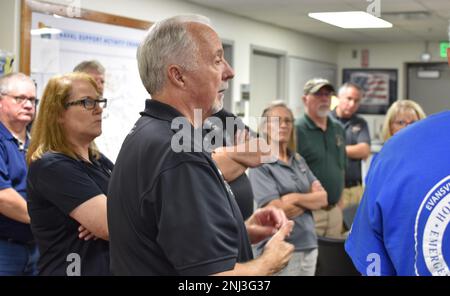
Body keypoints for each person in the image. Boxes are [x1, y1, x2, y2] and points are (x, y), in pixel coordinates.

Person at [108, 15, 294, 276]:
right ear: (178, 76)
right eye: (217, 60)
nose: (229, 72)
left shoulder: (150, 133)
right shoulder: (178, 154)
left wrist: (242, 231)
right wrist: (268, 263)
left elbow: (175, 243)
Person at [345, 109, 450, 275]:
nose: (407, 127)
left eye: (412, 122)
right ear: (390, 126)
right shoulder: (388, 160)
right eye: (401, 122)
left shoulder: (390, 158)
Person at [26, 72, 111, 275]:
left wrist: (111, 211)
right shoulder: (51, 166)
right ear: (57, 113)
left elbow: (137, 201)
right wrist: (109, 215)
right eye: (87, 102)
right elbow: (110, 225)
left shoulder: (99, 160)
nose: (98, 109)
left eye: (99, 101)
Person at [249, 101, 327, 276]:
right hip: (279, 248)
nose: (283, 125)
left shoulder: (298, 159)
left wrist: (294, 198)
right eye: (277, 121)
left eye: (288, 121)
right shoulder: (259, 162)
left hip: (309, 244)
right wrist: (308, 198)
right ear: (265, 127)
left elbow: (323, 198)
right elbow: (276, 210)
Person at [295, 78, 346, 238]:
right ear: (305, 99)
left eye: (327, 94)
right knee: (309, 262)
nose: (324, 99)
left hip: (334, 210)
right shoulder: (297, 130)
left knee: (331, 260)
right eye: (318, 95)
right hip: (310, 213)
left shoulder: (337, 128)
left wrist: (340, 199)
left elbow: (341, 165)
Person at [0, 73, 39, 275]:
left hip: (37, 247)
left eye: (32, 100)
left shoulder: (37, 143)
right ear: (1, 101)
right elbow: (3, 197)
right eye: (20, 98)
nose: (28, 105)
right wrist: (45, 219)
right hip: (5, 249)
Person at [330, 82, 370, 209]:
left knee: (355, 227)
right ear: (338, 97)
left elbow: (364, 150)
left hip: (355, 188)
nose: (352, 104)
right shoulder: (326, 121)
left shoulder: (360, 122)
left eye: (356, 101)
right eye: (349, 99)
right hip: (332, 189)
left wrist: (335, 149)